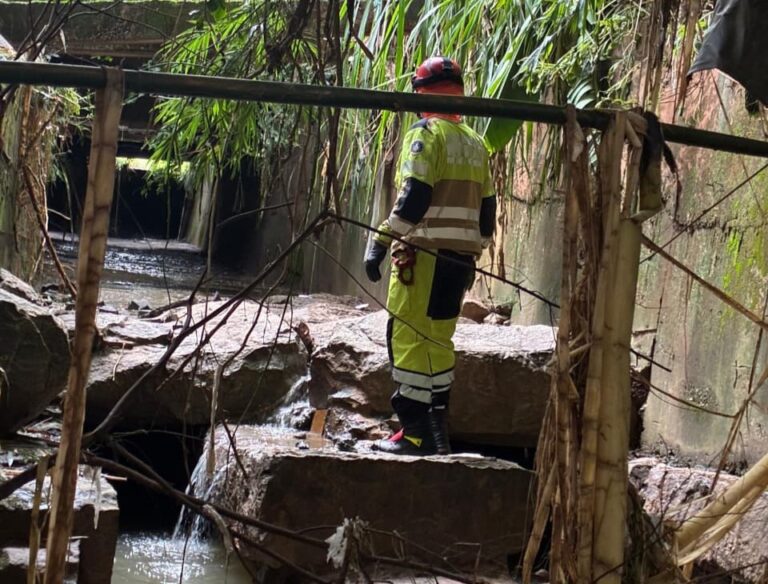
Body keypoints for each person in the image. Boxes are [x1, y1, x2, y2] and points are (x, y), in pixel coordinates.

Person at [363, 56, 497, 455]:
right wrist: (477, 248)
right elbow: (487, 210)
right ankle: (438, 434)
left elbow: (415, 196)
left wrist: (381, 241)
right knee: (439, 340)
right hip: (461, 260)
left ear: (421, 94)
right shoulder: (476, 143)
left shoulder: (426, 133)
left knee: (406, 338)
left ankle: (414, 433)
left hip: (423, 259)